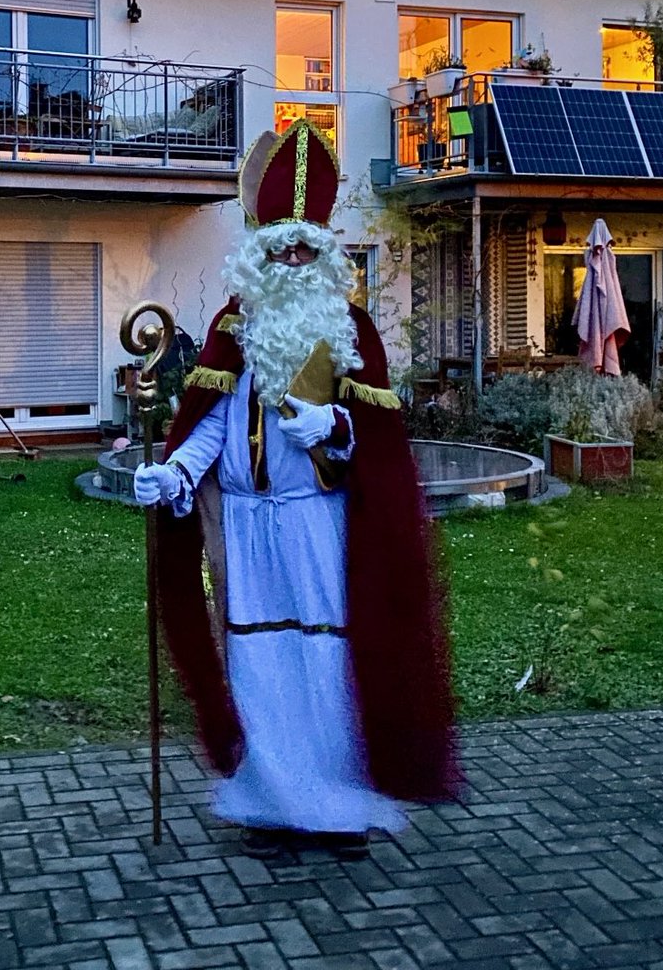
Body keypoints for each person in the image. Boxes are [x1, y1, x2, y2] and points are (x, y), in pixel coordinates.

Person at [134, 120, 461, 859]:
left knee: (323, 657)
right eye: (278, 239)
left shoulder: (349, 331)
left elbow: (379, 444)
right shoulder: (231, 326)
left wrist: (338, 425)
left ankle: (338, 807)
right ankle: (271, 803)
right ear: (256, 246)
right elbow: (211, 425)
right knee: (256, 658)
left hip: (318, 519)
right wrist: (178, 471)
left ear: (322, 250)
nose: (290, 251)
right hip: (247, 527)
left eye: (303, 241)